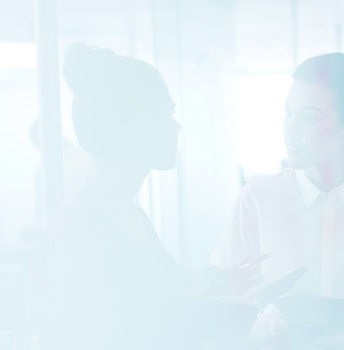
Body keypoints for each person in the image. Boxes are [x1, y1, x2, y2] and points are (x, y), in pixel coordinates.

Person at [33, 44, 251, 350]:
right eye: (170, 113)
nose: (178, 125)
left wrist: (216, 288)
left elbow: (158, 309)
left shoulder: (128, 214)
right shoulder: (77, 231)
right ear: (147, 124)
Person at [208, 53, 344, 349]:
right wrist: (266, 323)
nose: (290, 129)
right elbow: (223, 310)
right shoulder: (257, 199)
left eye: (309, 117)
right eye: (288, 112)